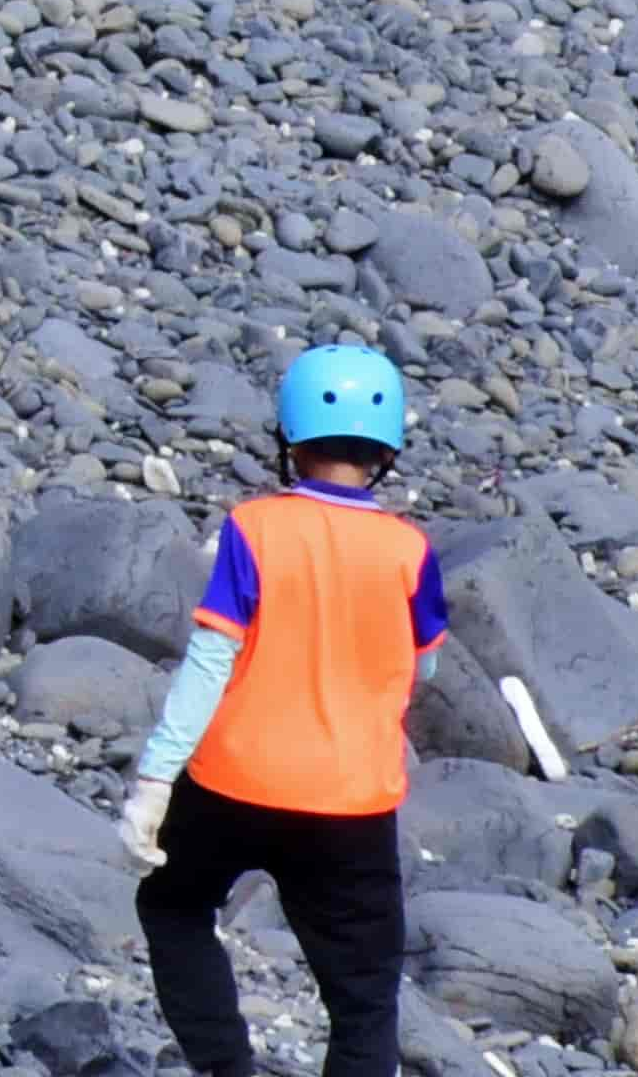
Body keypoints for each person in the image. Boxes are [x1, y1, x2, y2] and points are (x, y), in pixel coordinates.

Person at [121, 345, 437, 1077]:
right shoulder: (409, 550)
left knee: (172, 908)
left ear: (288, 439)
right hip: (351, 805)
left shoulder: (255, 527)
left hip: (232, 781)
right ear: (388, 451)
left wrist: (154, 779)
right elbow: (425, 663)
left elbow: (209, 659)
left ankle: (227, 1067)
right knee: (363, 1000)